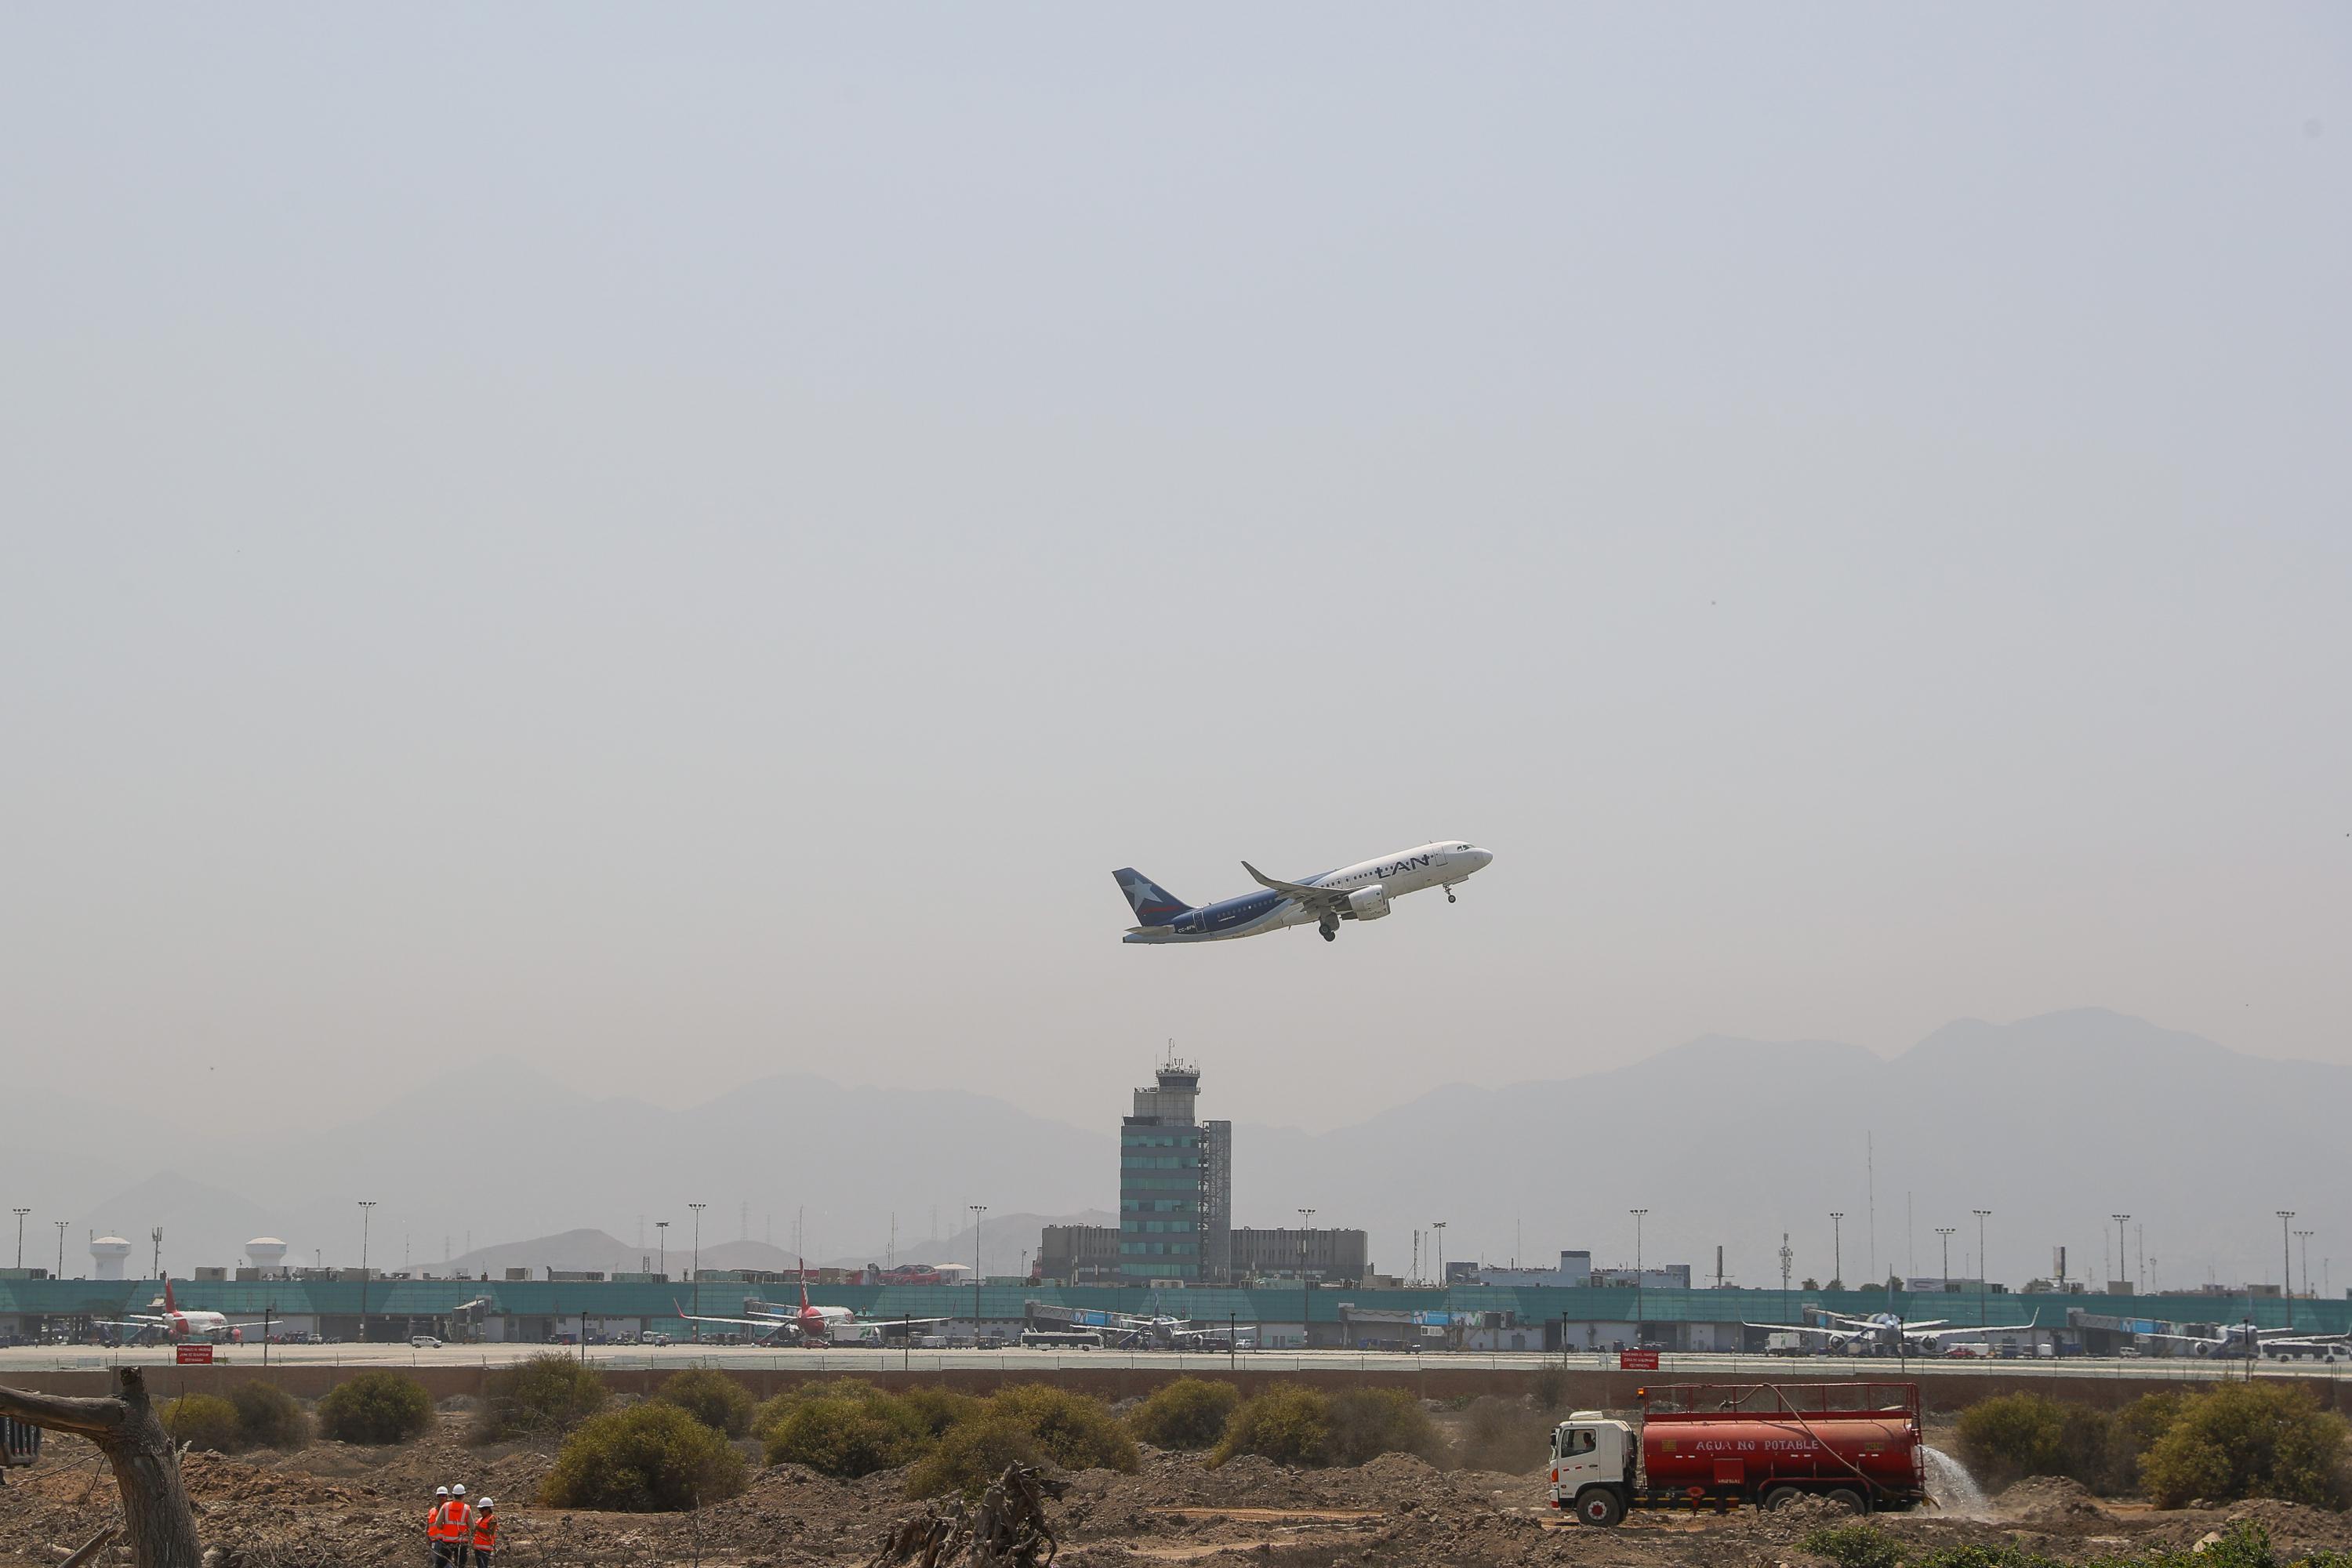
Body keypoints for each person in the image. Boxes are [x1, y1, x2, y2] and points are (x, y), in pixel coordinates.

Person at [469, 1497, 498, 1568]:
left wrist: (477, 1527)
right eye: (480, 1510)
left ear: (488, 1509)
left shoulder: (492, 1519)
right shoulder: (480, 1519)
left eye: (482, 1510)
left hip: (486, 1548)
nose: (480, 1512)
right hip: (478, 1547)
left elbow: (490, 1533)